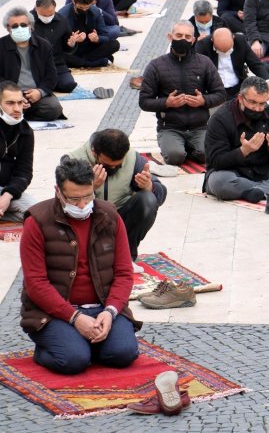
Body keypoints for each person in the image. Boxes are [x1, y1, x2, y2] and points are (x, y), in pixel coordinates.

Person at [19, 157, 142, 375]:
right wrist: (74, 318)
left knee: (123, 353)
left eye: (88, 196)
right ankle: (49, 349)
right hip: (54, 312)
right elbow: (36, 284)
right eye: (74, 199)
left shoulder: (110, 216)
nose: (83, 205)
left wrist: (111, 311)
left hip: (103, 305)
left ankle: (87, 344)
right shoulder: (37, 221)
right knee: (73, 360)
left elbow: (124, 273)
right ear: (58, 191)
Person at [203, 76, 269, 215]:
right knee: (219, 183)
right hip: (233, 172)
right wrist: (243, 151)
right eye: (253, 102)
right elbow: (215, 161)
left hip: (262, 170)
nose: (258, 108)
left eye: (262, 104)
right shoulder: (220, 119)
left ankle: (260, 191)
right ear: (240, 98)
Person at [68, 129, 167, 266]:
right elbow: (64, 203)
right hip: (89, 219)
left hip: (119, 219)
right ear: (94, 152)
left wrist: (148, 185)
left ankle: (126, 257)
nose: (113, 168)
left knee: (147, 200)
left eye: (118, 165)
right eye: (107, 165)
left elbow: (160, 196)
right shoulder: (73, 160)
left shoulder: (132, 158)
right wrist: (90, 188)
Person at [139, 21, 227, 165]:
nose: (183, 39)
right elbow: (144, 101)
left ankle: (191, 149)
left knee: (209, 156)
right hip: (170, 127)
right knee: (175, 157)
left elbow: (221, 94)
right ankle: (178, 147)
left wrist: (203, 101)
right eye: (178, 35)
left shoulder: (204, 63)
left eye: (187, 37)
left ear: (193, 40)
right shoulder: (156, 65)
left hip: (200, 126)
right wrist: (166, 103)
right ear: (170, 37)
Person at [0, 7, 64, 122]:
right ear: (8, 28)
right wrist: (15, 96)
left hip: (34, 94)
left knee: (53, 108)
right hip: (8, 94)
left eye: (23, 25)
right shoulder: (1, 46)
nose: (20, 28)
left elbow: (51, 76)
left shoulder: (43, 45)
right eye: (14, 26)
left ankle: (21, 114)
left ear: (31, 26)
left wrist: (40, 92)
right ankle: (17, 111)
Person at [195, 27, 269, 100]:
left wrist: (268, 81)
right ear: (212, 40)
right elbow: (197, 72)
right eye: (221, 50)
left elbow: (255, 64)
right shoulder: (202, 46)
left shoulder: (241, 40)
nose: (225, 53)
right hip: (214, 90)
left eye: (228, 50)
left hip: (238, 87)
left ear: (233, 38)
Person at [57, 0, 120, 68]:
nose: (84, 10)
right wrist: (72, 42)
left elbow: (105, 35)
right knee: (59, 56)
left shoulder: (95, 11)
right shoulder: (63, 15)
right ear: (73, 1)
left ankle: (82, 62)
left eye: (87, 7)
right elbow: (58, 42)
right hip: (73, 51)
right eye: (80, 8)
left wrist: (97, 39)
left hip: (90, 47)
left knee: (115, 44)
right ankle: (93, 62)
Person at [0, 82, 36, 222]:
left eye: (20, 103)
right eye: (10, 103)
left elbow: (24, 172)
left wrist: (7, 195)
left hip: (7, 190)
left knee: (37, 215)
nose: (16, 109)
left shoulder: (26, 132)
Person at [30, 0, 78, 93]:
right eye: (44, 15)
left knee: (68, 85)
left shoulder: (62, 20)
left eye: (50, 14)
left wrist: (71, 44)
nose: (47, 17)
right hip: (33, 64)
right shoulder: (26, 20)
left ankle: (47, 84)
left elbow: (67, 49)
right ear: (36, 8)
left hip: (56, 63)